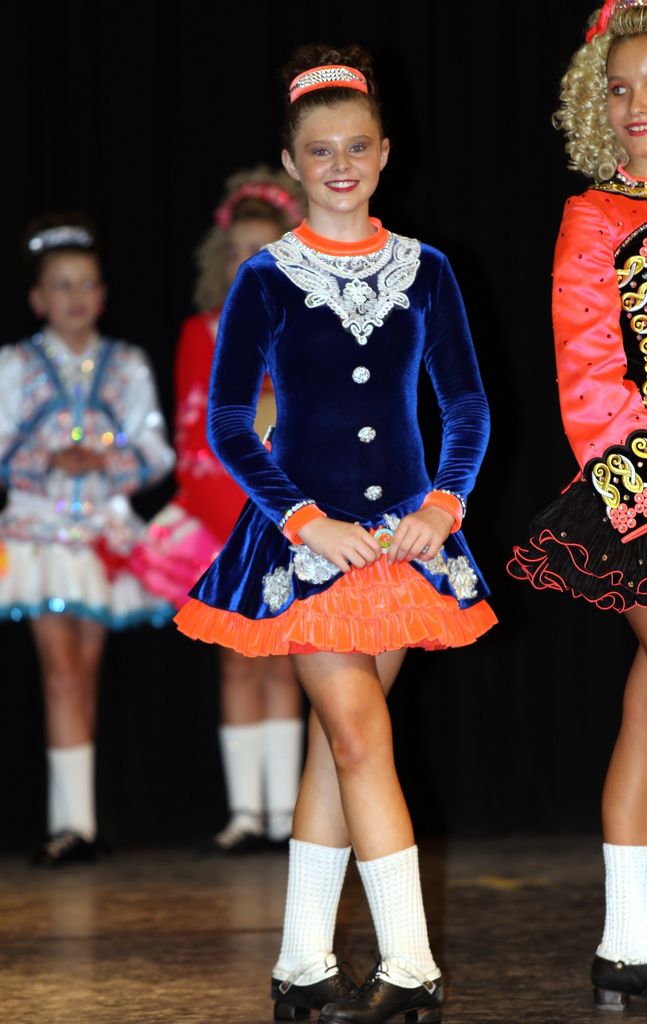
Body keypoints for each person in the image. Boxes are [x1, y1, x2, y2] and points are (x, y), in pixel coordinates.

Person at [175, 43, 496, 1024]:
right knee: (359, 732)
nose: (341, 165)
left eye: (357, 146)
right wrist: (305, 520)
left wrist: (442, 504)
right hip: (305, 548)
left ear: (385, 152)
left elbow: (466, 406)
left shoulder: (427, 271)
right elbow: (231, 423)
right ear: (290, 163)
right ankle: (411, 964)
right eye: (320, 151)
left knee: (336, 745)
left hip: (402, 551)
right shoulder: (264, 279)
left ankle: (300, 964)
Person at [508, 0, 647, 1012]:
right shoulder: (596, 215)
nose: (634, 104)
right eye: (617, 89)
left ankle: (626, 946)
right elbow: (587, 379)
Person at [129, 168, 306, 852]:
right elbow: (192, 431)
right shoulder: (200, 332)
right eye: (236, 253)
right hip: (218, 518)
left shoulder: (300, 329)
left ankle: (287, 813)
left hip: (288, 517)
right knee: (236, 659)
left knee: (284, 660)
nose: (245, 264)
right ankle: (245, 814)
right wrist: (220, 519)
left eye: (260, 252)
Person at [0, 213, 175, 866]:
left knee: (85, 675)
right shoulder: (15, 364)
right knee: (60, 671)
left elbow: (156, 449)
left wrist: (106, 460)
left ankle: (81, 822)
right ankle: (68, 825)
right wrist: (47, 460)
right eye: (61, 285)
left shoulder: (127, 364)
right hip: (39, 534)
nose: (75, 297)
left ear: (103, 294)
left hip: (102, 533)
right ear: (37, 298)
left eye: (86, 283)